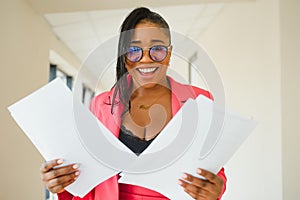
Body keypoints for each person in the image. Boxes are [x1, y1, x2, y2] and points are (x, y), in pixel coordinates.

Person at [40, 7, 227, 200]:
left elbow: (215, 172)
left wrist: (215, 190)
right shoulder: (100, 105)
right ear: (125, 57)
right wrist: (61, 182)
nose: (145, 59)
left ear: (169, 54)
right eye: (133, 50)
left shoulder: (200, 102)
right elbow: (86, 177)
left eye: (157, 49)